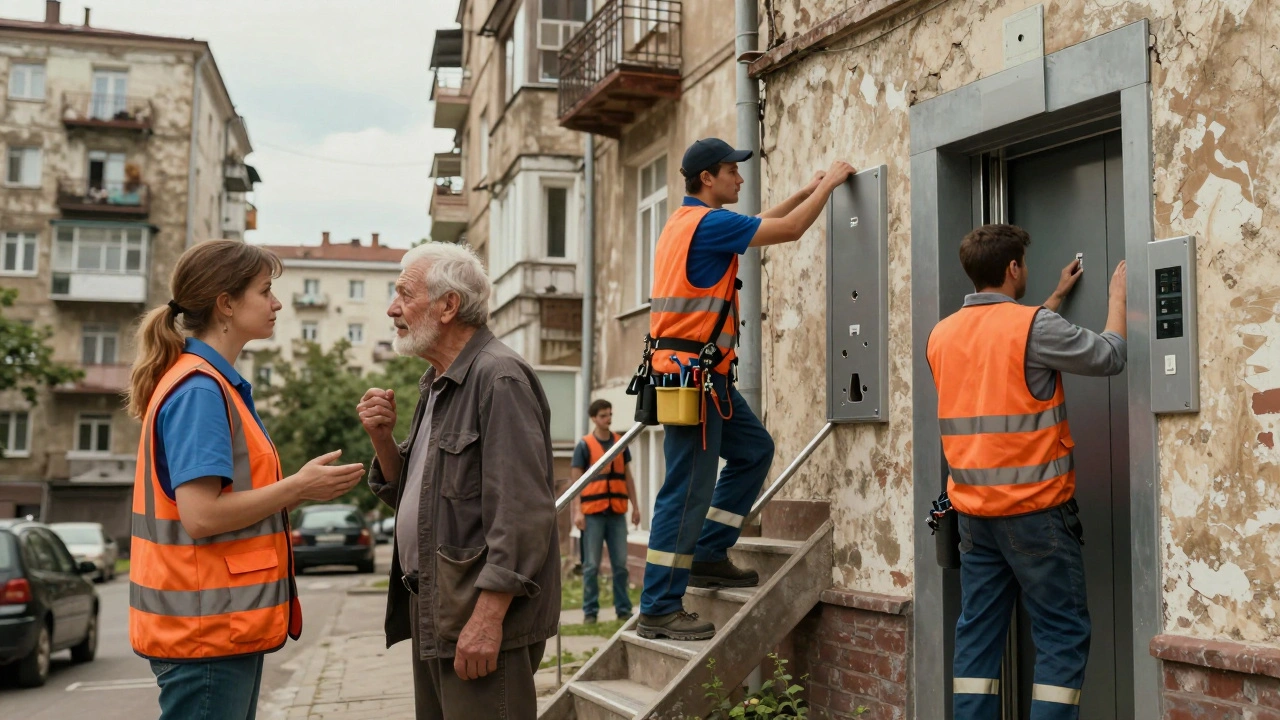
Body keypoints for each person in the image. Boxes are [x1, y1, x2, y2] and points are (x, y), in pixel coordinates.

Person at [126, 240, 366, 720]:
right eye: (266, 291)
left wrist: (296, 491)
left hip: (214, 628)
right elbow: (201, 516)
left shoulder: (209, 382)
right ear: (227, 304)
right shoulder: (200, 390)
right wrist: (298, 487)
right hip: (207, 635)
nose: (277, 304)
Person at [638, 138, 856, 641]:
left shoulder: (685, 222)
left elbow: (756, 225)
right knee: (686, 488)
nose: (740, 178)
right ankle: (659, 606)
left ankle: (709, 552)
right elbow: (791, 230)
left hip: (697, 374)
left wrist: (805, 189)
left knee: (754, 450)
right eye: (731, 171)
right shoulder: (709, 224)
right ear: (707, 179)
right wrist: (828, 184)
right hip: (695, 378)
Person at [927, 224, 1127, 720]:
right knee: (1061, 633)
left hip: (974, 518)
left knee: (977, 635)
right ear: (1014, 268)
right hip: (1036, 515)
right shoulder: (1032, 327)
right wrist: (1118, 298)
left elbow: (1005, 361)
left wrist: (1055, 296)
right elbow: (1110, 355)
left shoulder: (943, 334)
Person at [357, 241, 559, 720]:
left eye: (404, 294)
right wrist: (383, 440)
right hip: (437, 612)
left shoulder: (498, 378)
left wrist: (488, 619)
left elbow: (523, 512)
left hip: (477, 618)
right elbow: (427, 502)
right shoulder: (438, 382)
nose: (392, 309)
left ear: (448, 306)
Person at [570, 399, 642, 624]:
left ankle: (623, 610)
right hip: (592, 513)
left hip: (617, 512)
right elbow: (576, 482)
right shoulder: (584, 445)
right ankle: (590, 612)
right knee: (591, 566)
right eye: (603, 415)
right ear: (594, 418)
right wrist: (577, 512)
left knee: (620, 564)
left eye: (610, 414)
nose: (608, 419)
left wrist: (636, 506)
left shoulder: (621, 443)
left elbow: (627, 477)